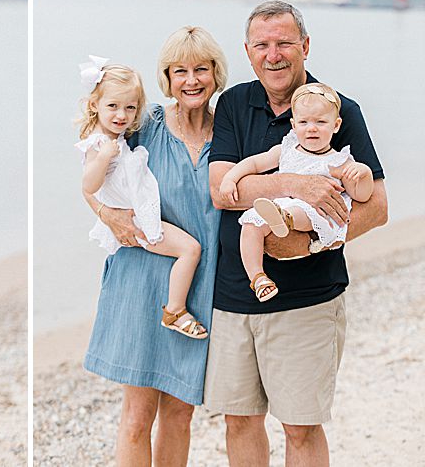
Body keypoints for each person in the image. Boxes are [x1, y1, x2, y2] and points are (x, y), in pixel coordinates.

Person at [207, 1, 387, 465]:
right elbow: (222, 190)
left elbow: (378, 207)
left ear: (304, 46)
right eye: (262, 45)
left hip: (308, 300)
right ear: (247, 52)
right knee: (239, 420)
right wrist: (294, 183)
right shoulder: (231, 103)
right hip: (232, 296)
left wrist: (310, 239)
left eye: (285, 43)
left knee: (301, 429)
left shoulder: (340, 110)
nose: (274, 55)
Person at [83, 26, 227, 465]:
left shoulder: (231, 133)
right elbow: (92, 178)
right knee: (136, 417)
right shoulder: (144, 125)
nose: (191, 80)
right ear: (166, 77)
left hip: (197, 291)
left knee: (181, 414)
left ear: (215, 73)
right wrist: (107, 215)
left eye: (201, 69)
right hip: (140, 281)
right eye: (179, 70)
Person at [76, 58, 206, 339]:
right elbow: (88, 184)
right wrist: (104, 157)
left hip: (138, 216)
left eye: (130, 107)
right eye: (112, 106)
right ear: (93, 105)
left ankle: (175, 308)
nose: (121, 115)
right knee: (190, 250)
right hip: (137, 222)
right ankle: (175, 310)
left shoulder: (116, 137)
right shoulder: (98, 144)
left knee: (188, 249)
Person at [219, 82, 375, 303]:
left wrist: (363, 174)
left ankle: (286, 219)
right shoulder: (286, 150)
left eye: (321, 122)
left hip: (315, 212)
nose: (311, 128)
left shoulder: (338, 161)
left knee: (302, 211)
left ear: (336, 125)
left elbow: (361, 195)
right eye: (304, 122)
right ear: (293, 125)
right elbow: (254, 164)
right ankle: (258, 277)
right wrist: (230, 178)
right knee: (250, 225)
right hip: (280, 204)